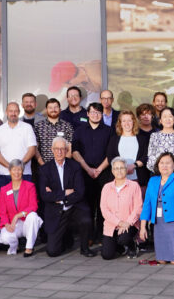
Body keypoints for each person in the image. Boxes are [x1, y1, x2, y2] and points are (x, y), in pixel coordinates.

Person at [39, 138, 93, 257]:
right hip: (55, 210)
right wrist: (65, 193)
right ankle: (66, 238)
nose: (59, 152)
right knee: (52, 252)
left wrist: (59, 197)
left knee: (86, 220)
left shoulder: (75, 166)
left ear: (67, 150)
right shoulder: (45, 169)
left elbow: (80, 191)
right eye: (57, 149)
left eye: (62, 149)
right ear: (52, 150)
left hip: (74, 206)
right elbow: (44, 195)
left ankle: (84, 248)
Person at [73, 102, 112, 240]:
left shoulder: (109, 131)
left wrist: (99, 169)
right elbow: (75, 151)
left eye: (98, 112)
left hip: (104, 173)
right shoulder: (79, 131)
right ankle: (88, 237)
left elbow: (111, 153)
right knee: (88, 205)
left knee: (103, 206)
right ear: (87, 114)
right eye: (93, 112)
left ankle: (102, 236)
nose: (95, 115)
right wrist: (88, 169)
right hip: (85, 173)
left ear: (102, 115)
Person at [100, 156, 141, 259]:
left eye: (122, 168)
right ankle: (121, 248)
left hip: (129, 224)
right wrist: (119, 223)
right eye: (116, 168)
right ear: (112, 171)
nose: (119, 171)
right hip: (112, 225)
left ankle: (132, 246)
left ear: (126, 170)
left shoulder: (134, 186)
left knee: (123, 238)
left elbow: (138, 207)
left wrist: (127, 223)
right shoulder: (106, 187)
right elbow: (104, 209)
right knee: (106, 255)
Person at [0, 159, 42, 256]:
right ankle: (15, 246)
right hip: (14, 225)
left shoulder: (30, 186)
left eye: (19, 169)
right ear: (10, 171)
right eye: (14, 169)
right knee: (5, 237)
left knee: (33, 216)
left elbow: (33, 206)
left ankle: (29, 247)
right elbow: (2, 212)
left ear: (22, 171)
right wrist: (6, 224)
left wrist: (18, 215)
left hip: (27, 222)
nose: (17, 172)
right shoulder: (4, 190)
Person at [0, 102, 39, 186]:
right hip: (4, 174)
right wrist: (10, 167)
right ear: (6, 112)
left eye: (15, 111)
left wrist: (19, 167)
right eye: (10, 111)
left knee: (24, 199)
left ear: (19, 112)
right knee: (5, 199)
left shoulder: (27, 128)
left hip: (24, 173)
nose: (13, 113)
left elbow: (32, 149)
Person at [106, 110, 147, 185]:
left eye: (129, 121)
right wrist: (123, 168)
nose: (127, 123)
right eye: (124, 121)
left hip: (137, 179)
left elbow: (145, 157)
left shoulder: (142, 139)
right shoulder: (114, 139)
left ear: (133, 122)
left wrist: (133, 166)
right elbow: (110, 158)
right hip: (118, 179)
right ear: (120, 123)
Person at [35, 97, 76, 166]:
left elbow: (70, 147)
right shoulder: (38, 126)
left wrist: (62, 165)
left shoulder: (67, 126)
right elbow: (35, 149)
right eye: (50, 108)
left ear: (60, 109)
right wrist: (43, 165)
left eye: (56, 107)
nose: (53, 110)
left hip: (63, 167)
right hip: (44, 167)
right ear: (46, 110)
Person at [147, 107, 174, 176]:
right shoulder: (154, 136)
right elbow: (151, 158)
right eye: (164, 117)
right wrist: (162, 172)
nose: (167, 119)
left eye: (170, 116)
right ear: (160, 120)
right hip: (158, 176)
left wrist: (171, 171)